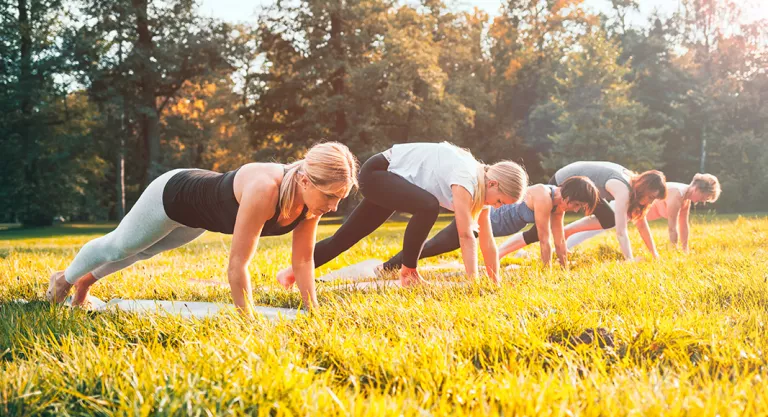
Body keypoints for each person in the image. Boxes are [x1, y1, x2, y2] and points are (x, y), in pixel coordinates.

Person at [46, 142, 359, 316]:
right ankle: (64, 279)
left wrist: (312, 310)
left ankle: (84, 284)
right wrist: (247, 322)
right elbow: (238, 264)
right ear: (306, 180)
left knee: (141, 253)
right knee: (120, 246)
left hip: (197, 220)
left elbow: (303, 261)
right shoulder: (266, 189)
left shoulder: (311, 203)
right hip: (174, 193)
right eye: (331, 197)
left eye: (340, 199)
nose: (333, 207)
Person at [276, 142, 528, 287]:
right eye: (498, 202)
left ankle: (289, 274)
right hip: (378, 173)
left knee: (345, 238)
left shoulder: (481, 189)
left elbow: (487, 241)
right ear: (493, 183)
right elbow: (466, 236)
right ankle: (409, 272)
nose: (495, 207)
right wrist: (474, 284)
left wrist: (494, 283)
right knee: (427, 206)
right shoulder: (467, 179)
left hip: (390, 180)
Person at [381, 176, 599, 269]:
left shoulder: (558, 205)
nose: (577, 210)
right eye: (578, 204)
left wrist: (564, 269)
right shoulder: (544, 196)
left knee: (436, 246)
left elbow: (559, 241)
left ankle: (395, 265)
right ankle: (389, 266)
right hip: (482, 220)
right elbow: (544, 240)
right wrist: (548, 271)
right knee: (435, 246)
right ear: (569, 195)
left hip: (492, 229)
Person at [498, 161, 667, 261]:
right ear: (644, 188)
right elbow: (621, 231)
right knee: (541, 231)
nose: (651, 202)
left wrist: (655, 254)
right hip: (567, 182)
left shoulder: (632, 185)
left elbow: (641, 223)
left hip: (586, 184)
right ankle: (500, 252)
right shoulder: (623, 188)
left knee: (609, 219)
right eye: (651, 197)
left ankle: (567, 232)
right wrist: (629, 260)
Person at [566, 173, 721, 253]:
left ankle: (562, 241)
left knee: (596, 227)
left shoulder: (685, 200)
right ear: (697, 189)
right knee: (594, 227)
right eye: (704, 197)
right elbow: (672, 227)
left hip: (635, 213)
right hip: (629, 206)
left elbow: (683, 225)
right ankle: (562, 240)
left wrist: (685, 249)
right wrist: (674, 251)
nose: (703, 201)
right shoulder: (678, 194)